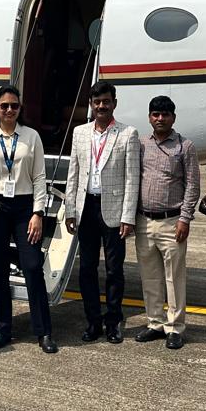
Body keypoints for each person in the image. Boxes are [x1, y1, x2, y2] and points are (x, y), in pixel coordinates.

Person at [0, 84, 57, 354]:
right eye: (4, 105)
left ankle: (43, 332)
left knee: (32, 266)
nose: (9, 110)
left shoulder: (31, 137)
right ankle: (2, 330)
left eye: (14, 106)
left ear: (20, 109)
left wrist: (38, 212)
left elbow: (40, 177)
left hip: (24, 207)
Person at [63, 80, 141, 344]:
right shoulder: (80, 133)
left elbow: (132, 178)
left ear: (114, 103)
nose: (101, 106)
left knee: (114, 270)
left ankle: (113, 321)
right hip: (86, 207)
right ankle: (93, 320)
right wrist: (70, 210)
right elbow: (74, 173)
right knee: (86, 268)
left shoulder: (127, 133)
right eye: (97, 102)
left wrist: (128, 217)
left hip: (113, 210)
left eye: (106, 101)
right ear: (91, 104)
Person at [133, 95, 200, 350]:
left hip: (172, 221)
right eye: (155, 114)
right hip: (144, 220)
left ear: (173, 117)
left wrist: (185, 218)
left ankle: (175, 327)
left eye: (165, 114)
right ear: (150, 117)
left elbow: (193, 184)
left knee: (174, 277)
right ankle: (155, 322)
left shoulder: (185, 146)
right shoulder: (141, 145)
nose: (159, 119)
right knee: (150, 276)